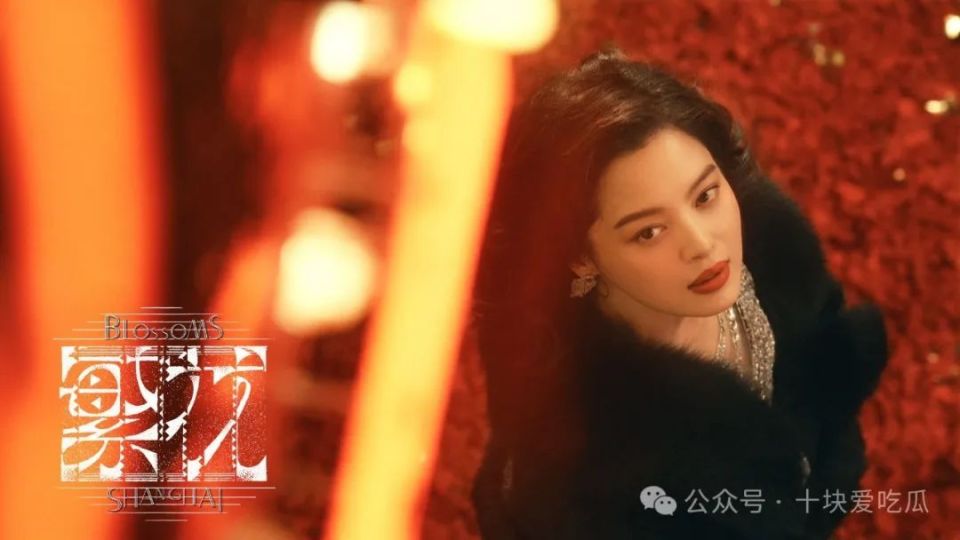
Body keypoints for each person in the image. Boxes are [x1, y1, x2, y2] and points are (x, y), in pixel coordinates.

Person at [469, 47, 889, 539]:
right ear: (578, 257)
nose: (702, 244)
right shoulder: (576, 444)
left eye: (705, 196)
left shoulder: (778, 261)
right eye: (648, 232)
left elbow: (829, 410)